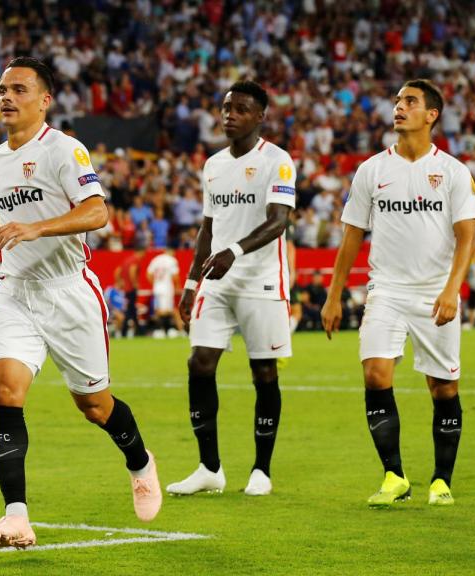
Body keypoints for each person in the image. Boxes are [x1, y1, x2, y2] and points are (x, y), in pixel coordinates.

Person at [0, 57, 161, 550]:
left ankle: (139, 460)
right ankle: (16, 517)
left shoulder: (64, 151)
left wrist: (37, 227)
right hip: (16, 291)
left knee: (94, 405)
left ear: (44, 100)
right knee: (6, 390)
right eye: (3, 89)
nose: (6, 96)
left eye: (20, 89)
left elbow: (97, 212)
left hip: (69, 290)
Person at [322, 79, 475, 507]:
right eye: (396, 101)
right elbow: (351, 236)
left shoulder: (453, 171)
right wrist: (334, 295)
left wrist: (452, 289)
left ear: (431, 114)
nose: (399, 107)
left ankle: (441, 479)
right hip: (386, 290)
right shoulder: (372, 170)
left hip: (435, 292)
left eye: (409, 102)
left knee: (442, 387)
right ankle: (394, 476)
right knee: (375, 373)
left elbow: (467, 236)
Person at [170, 80, 296, 497]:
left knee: (263, 371)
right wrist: (191, 281)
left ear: (259, 117)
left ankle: (262, 469)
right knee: (199, 364)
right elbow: (207, 229)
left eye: (240, 109)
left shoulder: (277, 161)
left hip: (260, 280)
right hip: (216, 283)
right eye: (226, 108)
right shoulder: (213, 165)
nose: (229, 115)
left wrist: (235, 251)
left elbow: (280, 221)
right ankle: (209, 467)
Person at [146, 248, 183, 337]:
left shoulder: (156, 259)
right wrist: (178, 286)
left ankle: (160, 330)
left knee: (158, 310)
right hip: (167, 287)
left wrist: (155, 283)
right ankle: (169, 329)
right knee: (168, 310)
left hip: (157, 288)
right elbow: (175, 275)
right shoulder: (171, 260)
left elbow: (148, 274)